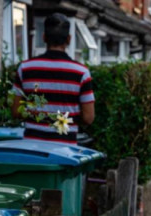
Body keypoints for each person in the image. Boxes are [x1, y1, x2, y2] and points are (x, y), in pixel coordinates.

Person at [11, 13, 94, 144]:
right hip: (66, 150)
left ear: (44, 37)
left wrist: (38, 113)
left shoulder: (25, 68)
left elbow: (16, 111)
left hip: (32, 148)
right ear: (69, 39)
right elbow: (88, 117)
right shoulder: (81, 72)